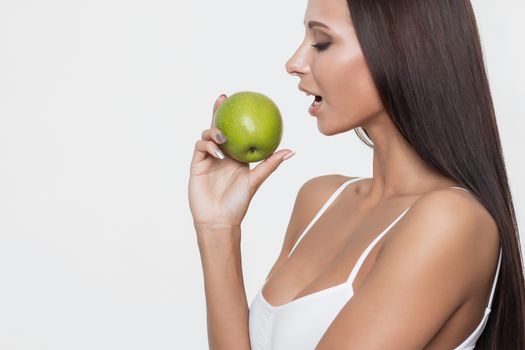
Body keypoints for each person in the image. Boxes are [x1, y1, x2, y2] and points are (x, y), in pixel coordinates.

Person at [188, 0, 525, 349]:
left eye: (321, 42)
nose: (294, 63)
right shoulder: (319, 200)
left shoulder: (452, 222)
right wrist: (217, 229)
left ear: (401, 47)